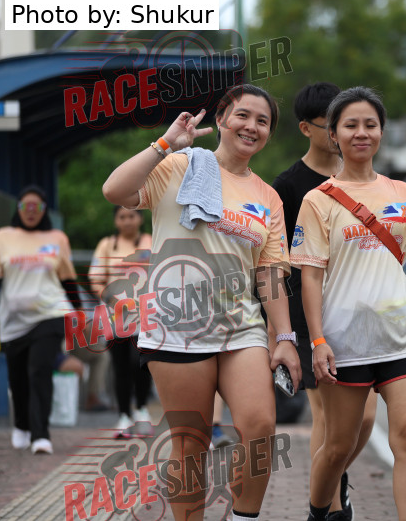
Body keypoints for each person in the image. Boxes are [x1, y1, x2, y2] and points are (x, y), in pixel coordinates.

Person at [102, 83, 301, 521]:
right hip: (178, 327)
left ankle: (244, 517)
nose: (251, 126)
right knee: (192, 443)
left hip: (241, 327)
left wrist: (285, 338)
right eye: (243, 115)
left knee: (260, 428)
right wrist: (164, 144)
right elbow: (114, 191)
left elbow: (270, 275)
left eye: (263, 121)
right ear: (222, 120)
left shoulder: (267, 197)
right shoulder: (179, 166)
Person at [291, 86, 406, 521]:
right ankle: (319, 514)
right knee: (338, 447)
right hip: (345, 343)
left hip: (402, 338)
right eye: (350, 125)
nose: (361, 132)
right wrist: (317, 341)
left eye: (370, 124)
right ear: (333, 134)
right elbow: (310, 276)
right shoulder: (318, 200)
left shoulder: (403, 193)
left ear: (381, 132)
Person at [272, 82, 377, 521]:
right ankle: (331, 510)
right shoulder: (288, 187)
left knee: (364, 421)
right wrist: (282, 332)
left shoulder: (365, 179)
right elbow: (275, 262)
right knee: (327, 420)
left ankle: (333, 481)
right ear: (307, 128)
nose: (341, 132)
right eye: (330, 123)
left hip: (360, 313)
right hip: (309, 316)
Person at [0, 185, 82, 454]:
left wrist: (78, 312)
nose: (31, 211)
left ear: (44, 210)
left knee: (39, 371)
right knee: (18, 377)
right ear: (19, 209)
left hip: (51, 313)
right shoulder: (3, 237)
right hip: (13, 320)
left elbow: (67, 278)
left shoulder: (57, 238)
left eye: (37, 206)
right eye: (26, 206)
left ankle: (41, 435)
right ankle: (22, 426)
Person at [88, 205, 153, 436]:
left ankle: (142, 408)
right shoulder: (107, 245)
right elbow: (95, 280)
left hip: (145, 316)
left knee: (141, 362)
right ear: (116, 221)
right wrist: (113, 299)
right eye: (122, 216)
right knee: (120, 366)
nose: (127, 221)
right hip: (114, 316)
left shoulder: (151, 241)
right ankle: (124, 416)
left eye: (131, 216)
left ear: (140, 218)